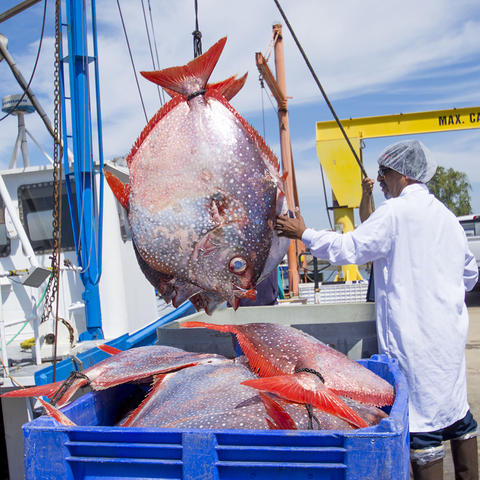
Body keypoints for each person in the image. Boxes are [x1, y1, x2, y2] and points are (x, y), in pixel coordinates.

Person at [275, 139, 479, 480]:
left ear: (401, 174)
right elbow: (470, 276)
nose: (380, 180)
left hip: (417, 344)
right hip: (449, 340)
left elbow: (349, 248)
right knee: (457, 416)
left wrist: (303, 232)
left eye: (383, 174)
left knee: (422, 424)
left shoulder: (397, 213)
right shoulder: (446, 218)